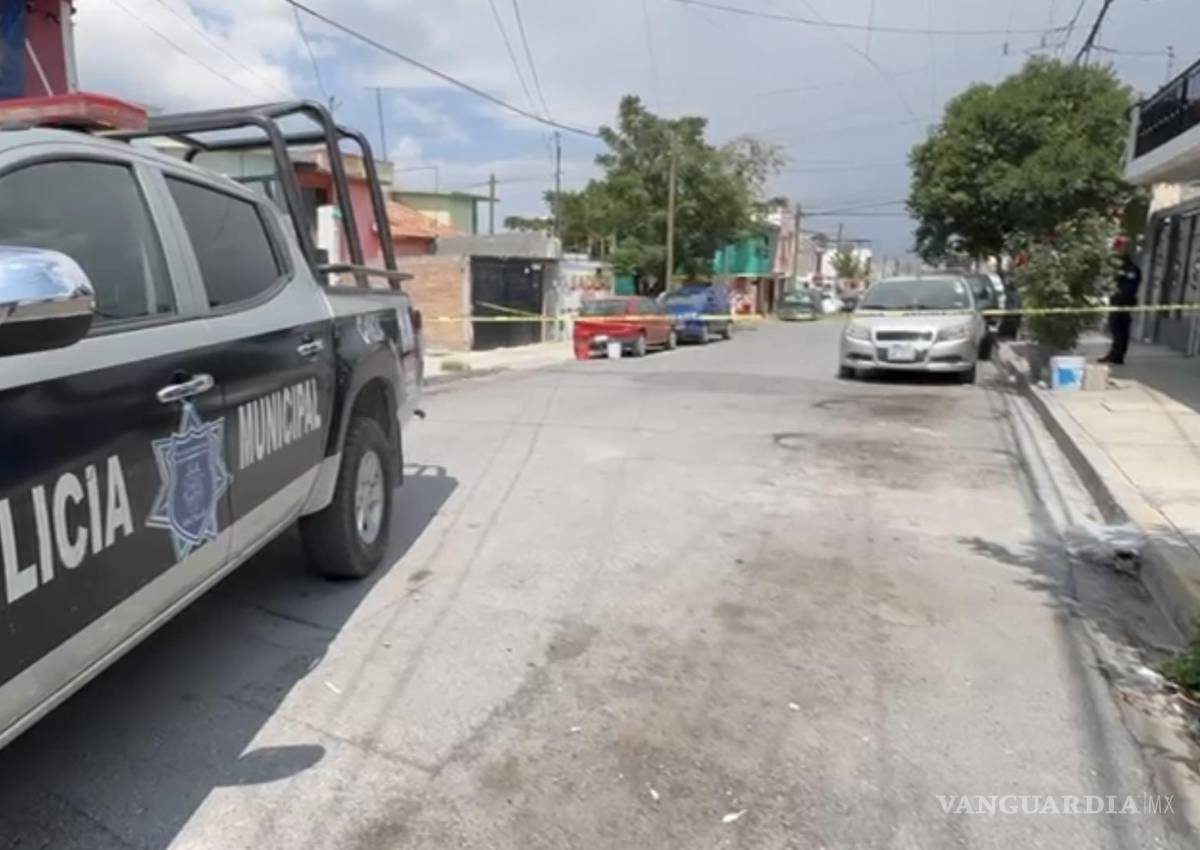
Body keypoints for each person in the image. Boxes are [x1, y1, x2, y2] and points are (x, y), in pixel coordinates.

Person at [1099, 240, 1142, 366]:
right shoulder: (1119, 266)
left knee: (1121, 329)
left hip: (1123, 303)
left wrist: (1120, 301)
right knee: (1115, 328)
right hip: (1117, 302)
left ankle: (1118, 356)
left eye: (1118, 248)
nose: (1116, 251)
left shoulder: (1130, 268)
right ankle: (1114, 354)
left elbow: (1129, 287)